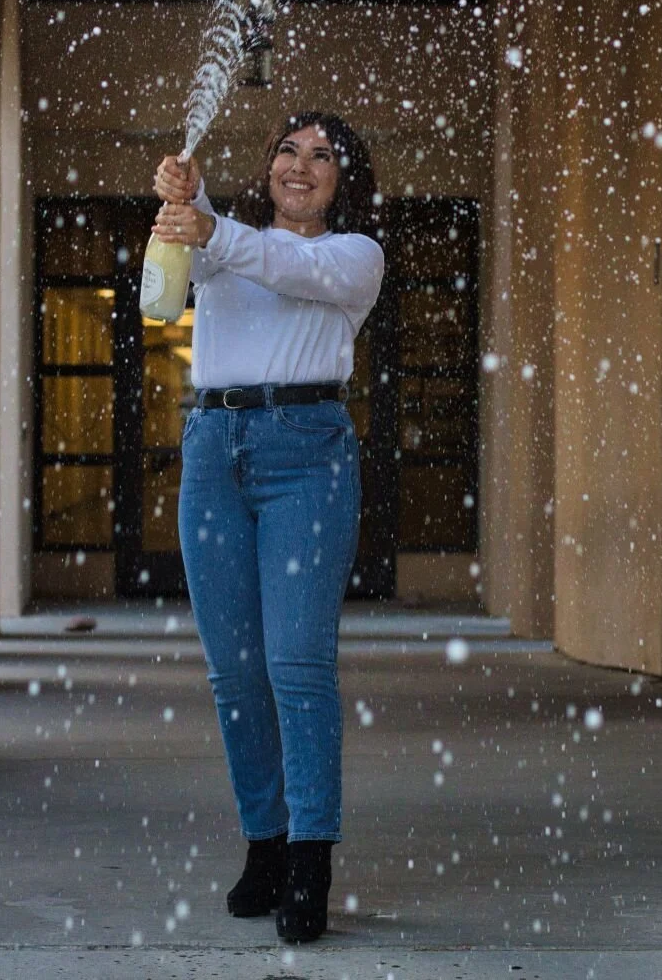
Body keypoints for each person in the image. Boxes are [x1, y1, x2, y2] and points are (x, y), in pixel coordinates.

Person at [151, 111, 384, 943]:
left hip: (307, 454)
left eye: (323, 155)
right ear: (269, 165)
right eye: (289, 148)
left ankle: (311, 857)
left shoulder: (354, 257)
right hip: (214, 450)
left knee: (297, 664)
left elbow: (280, 263)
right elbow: (212, 249)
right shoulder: (224, 241)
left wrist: (208, 218)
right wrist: (186, 187)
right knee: (234, 672)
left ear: (344, 180)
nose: (301, 163)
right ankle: (267, 840)